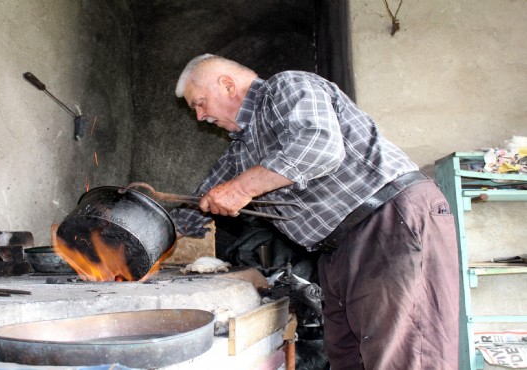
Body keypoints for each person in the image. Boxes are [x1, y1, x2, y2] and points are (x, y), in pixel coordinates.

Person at [169, 54, 459, 369]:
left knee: (403, 357)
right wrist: (149, 239)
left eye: (199, 103)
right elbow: (199, 203)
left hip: (389, 223)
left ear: (227, 85)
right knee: (348, 358)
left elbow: (319, 147)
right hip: (337, 250)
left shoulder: (285, 88)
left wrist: (240, 189)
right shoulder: (241, 149)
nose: (199, 116)